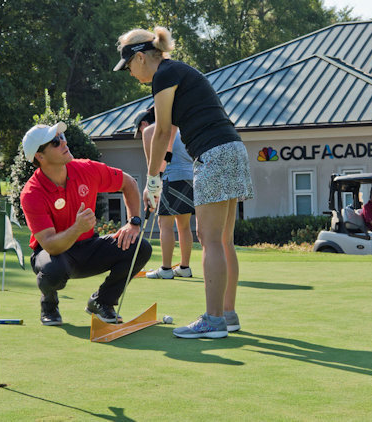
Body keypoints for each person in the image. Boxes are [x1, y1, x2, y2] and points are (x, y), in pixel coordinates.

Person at [115, 26, 254, 339]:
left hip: (213, 153)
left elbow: (162, 131)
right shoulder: (176, 71)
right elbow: (172, 127)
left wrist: (152, 181)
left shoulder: (165, 74)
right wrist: (160, 170)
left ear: (139, 58)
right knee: (223, 239)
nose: (130, 74)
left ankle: (213, 319)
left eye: (128, 68)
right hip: (232, 148)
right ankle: (227, 314)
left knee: (209, 238)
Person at [19, 122, 152, 326]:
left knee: (139, 247)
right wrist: (76, 228)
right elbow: (50, 244)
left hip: (88, 247)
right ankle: (49, 304)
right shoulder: (31, 193)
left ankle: (102, 302)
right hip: (54, 253)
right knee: (52, 272)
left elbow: (129, 183)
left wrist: (133, 223)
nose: (63, 142)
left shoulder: (86, 169)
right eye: (55, 142)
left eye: (62, 137)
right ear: (40, 156)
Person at [133, 108, 195, 280]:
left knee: (164, 223)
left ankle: (166, 269)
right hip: (191, 178)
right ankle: (184, 267)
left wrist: (151, 189)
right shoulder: (178, 128)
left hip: (171, 177)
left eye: (139, 129)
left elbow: (152, 166)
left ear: (144, 123)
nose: (141, 132)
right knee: (183, 225)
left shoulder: (149, 131)